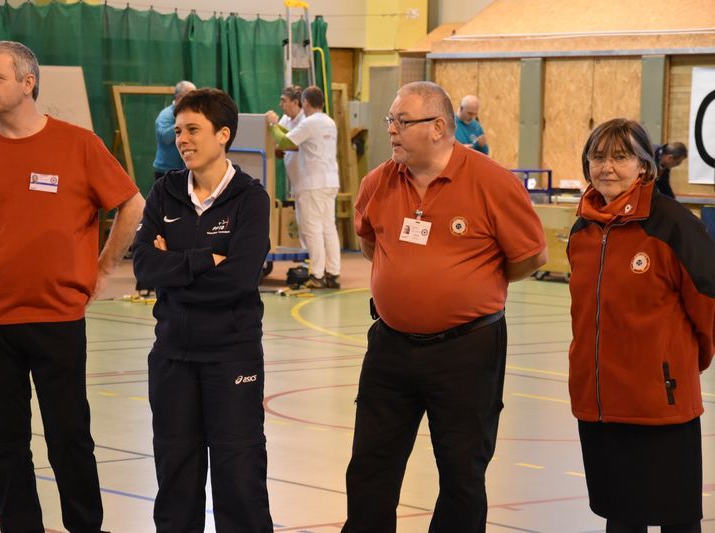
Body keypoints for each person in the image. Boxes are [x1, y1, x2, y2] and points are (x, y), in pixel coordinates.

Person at [0, 41, 144, 533]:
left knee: (70, 438)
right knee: (6, 443)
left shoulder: (79, 145)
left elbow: (132, 204)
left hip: (57, 318)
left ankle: (86, 526)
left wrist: (103, 269)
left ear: (28, 83)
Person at [344, 81, 547, 532]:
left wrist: (471, 286)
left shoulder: (492, 182)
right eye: (390, 120)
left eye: (402, 121)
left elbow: (531, 257)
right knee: (370, 466)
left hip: (466, 350)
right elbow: (370, 243)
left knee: (461, 470)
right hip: (390, 348)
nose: (391, 130)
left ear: (438, 127)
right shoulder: (378, 182)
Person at [132, 88, 274, 532]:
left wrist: (173, 270)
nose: (182, 140)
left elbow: (238, 279)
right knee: (175, 472)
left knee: (238, 474)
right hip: (172, 356)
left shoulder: (250, 199)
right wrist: (202, 261)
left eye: (193, 129)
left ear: (223, 134)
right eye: (178, 131)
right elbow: (143, 266)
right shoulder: (165, 192)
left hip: (231, 355)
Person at [567, 119, 713, 533]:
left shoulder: (673, 224)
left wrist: (676, 365)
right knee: (621, 516)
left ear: (645, 166)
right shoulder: (582, 229)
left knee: (677, 518)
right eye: (598, 157)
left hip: (660, 403)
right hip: (600, 404)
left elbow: (708, 303)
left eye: (620, 156)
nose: (607, 167)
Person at [265, 85, 341, 289]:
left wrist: (272, 124)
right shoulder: (329, 122)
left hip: (312, 184)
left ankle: (317, 275)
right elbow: (292, 136)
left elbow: (285, 141)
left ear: (305, 103)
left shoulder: (310, 122)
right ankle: (333, 273)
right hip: (330, 182)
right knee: (328, 228)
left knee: (312, 229)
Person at [153, 80, 196, 179]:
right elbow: (165, 138)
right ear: (180, 98)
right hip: (165, 170)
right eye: (191, 97)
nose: (194, 101)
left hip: (183, 169)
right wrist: (182, 123)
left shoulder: (189, 114)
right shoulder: (165, 115)